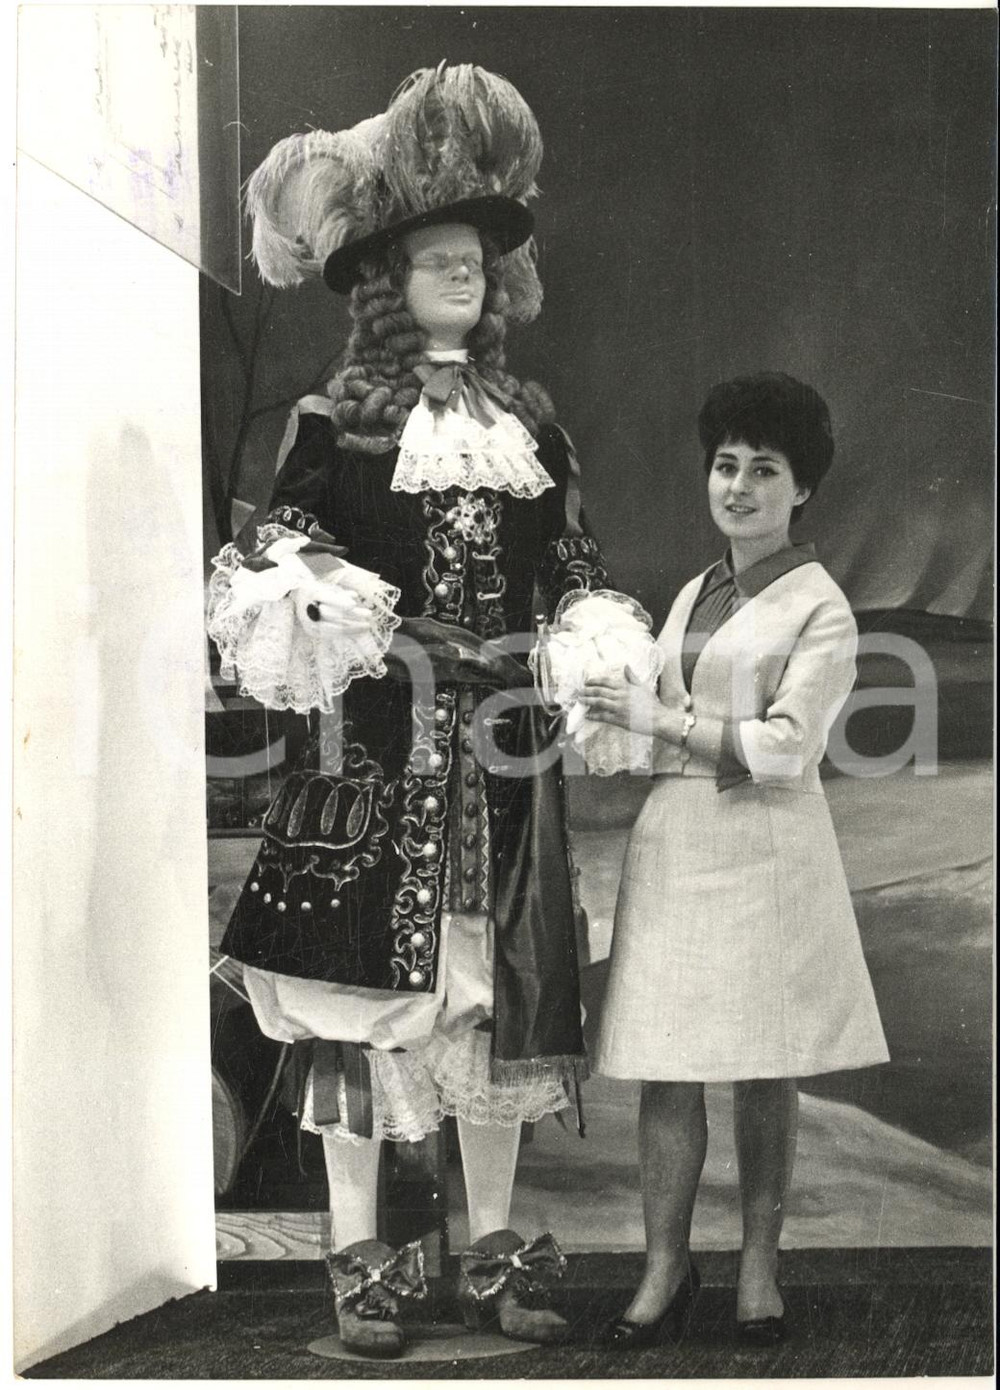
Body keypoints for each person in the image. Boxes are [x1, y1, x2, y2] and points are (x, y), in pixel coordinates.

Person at [207, 65, 619, 1357]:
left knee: (492, 1018)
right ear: (387, 280)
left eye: (476, 262)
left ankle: (490, 1264)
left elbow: (578, 568)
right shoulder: (336, 421)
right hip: (370, 772)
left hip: (501, 772)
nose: (464, 275)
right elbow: (282, 558)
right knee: (357, 1028)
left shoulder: (533, 431)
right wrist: (377, 622)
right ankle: (359, 1271)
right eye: (439, 258)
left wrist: (572, 637)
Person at [582, 371, 889, 1349]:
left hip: (764, 849)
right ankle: (664, 1269)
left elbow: (785, 746)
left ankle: (759, 1268)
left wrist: (657, 716)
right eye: (725, 465)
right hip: (676, 844)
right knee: (666, 1066)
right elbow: (664, 726)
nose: (739, 486)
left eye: (765, 469)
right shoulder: (691, 591)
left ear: (801, 489)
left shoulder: (820, 608)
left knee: (764, 1067)